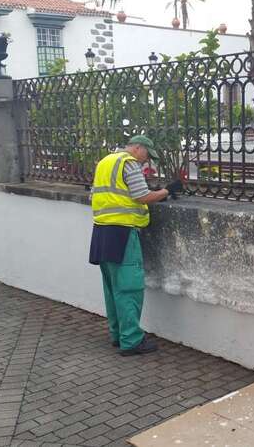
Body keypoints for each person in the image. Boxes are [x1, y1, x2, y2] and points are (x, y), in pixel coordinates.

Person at [89, 135, 183, 356]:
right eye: (147, 155)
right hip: (121, 233)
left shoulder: (106, 162)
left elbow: (107, 193)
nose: (146, 161)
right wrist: (167, 191)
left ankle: (118, 334)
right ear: (138, 148)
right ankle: (131, 340)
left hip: (101, 231)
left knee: (112, 288)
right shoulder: (128, 163)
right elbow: (142, 196)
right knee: (129, 288)